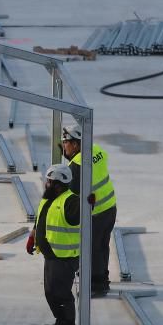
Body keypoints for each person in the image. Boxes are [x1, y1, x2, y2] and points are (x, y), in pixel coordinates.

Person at [26, 163, 81, 325]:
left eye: (49, 182)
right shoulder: (48, 199)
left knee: (62, 294)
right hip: (51, 256)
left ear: (58, 184)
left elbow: (80, 215)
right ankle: (60, 322)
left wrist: (89, 203)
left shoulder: (71, 201)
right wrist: (33, 236)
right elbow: (41, 218)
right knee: (50, 292)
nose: (46, 184)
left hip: (65, 258)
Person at [61, 123, 117, 296]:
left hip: (96, 212)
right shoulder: (96, 149)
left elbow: (72, 193)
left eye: (66, 142)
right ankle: (101, 281)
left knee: (90, 249)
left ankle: (95, 285)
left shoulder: (77, 165)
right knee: (101, 246)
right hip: (110, 207)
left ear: (76, 144)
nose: (64, 146)